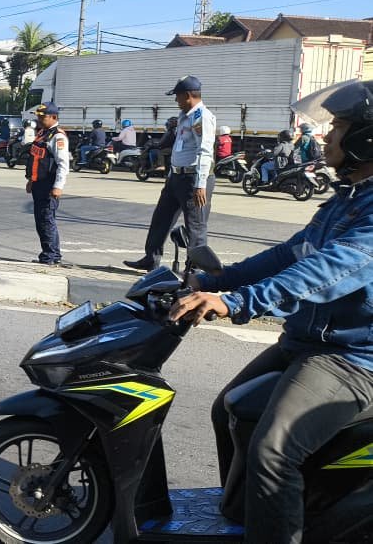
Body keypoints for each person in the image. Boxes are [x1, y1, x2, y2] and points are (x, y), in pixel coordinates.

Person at [169, 79, 373, 544]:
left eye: (338, 126)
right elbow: (290, 254)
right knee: (229, 408)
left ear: (366, 138)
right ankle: (248, 515)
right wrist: (214, 281)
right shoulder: (349, 198)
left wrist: (238, 302)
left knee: (273, 451)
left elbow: (327, 271)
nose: (328, 135)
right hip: (309, 342)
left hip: (353, 358)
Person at [124, 76, 216, 270]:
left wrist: (200, 185)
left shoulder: (202, 117)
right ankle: (151, 258)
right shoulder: (184, 116)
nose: (176, 101)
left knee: (195, 225)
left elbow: (205, 151)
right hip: (176, 176)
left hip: (193, 179)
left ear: (188, 95)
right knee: (161, 218)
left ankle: (195, 269)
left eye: (177, 96)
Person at [25, 104, 70, 264]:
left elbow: (63, 164)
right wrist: (31, 180)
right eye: (38, 116)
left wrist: (58, 186)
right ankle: (52, 254)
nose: (39, 119)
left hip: (49, 185)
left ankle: (50, 256)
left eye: (43, 117)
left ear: (54, 118)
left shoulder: (58, 137)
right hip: (39, 184)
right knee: (42, 220)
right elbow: (36, 160)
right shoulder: (43, 134)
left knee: (46, 220)